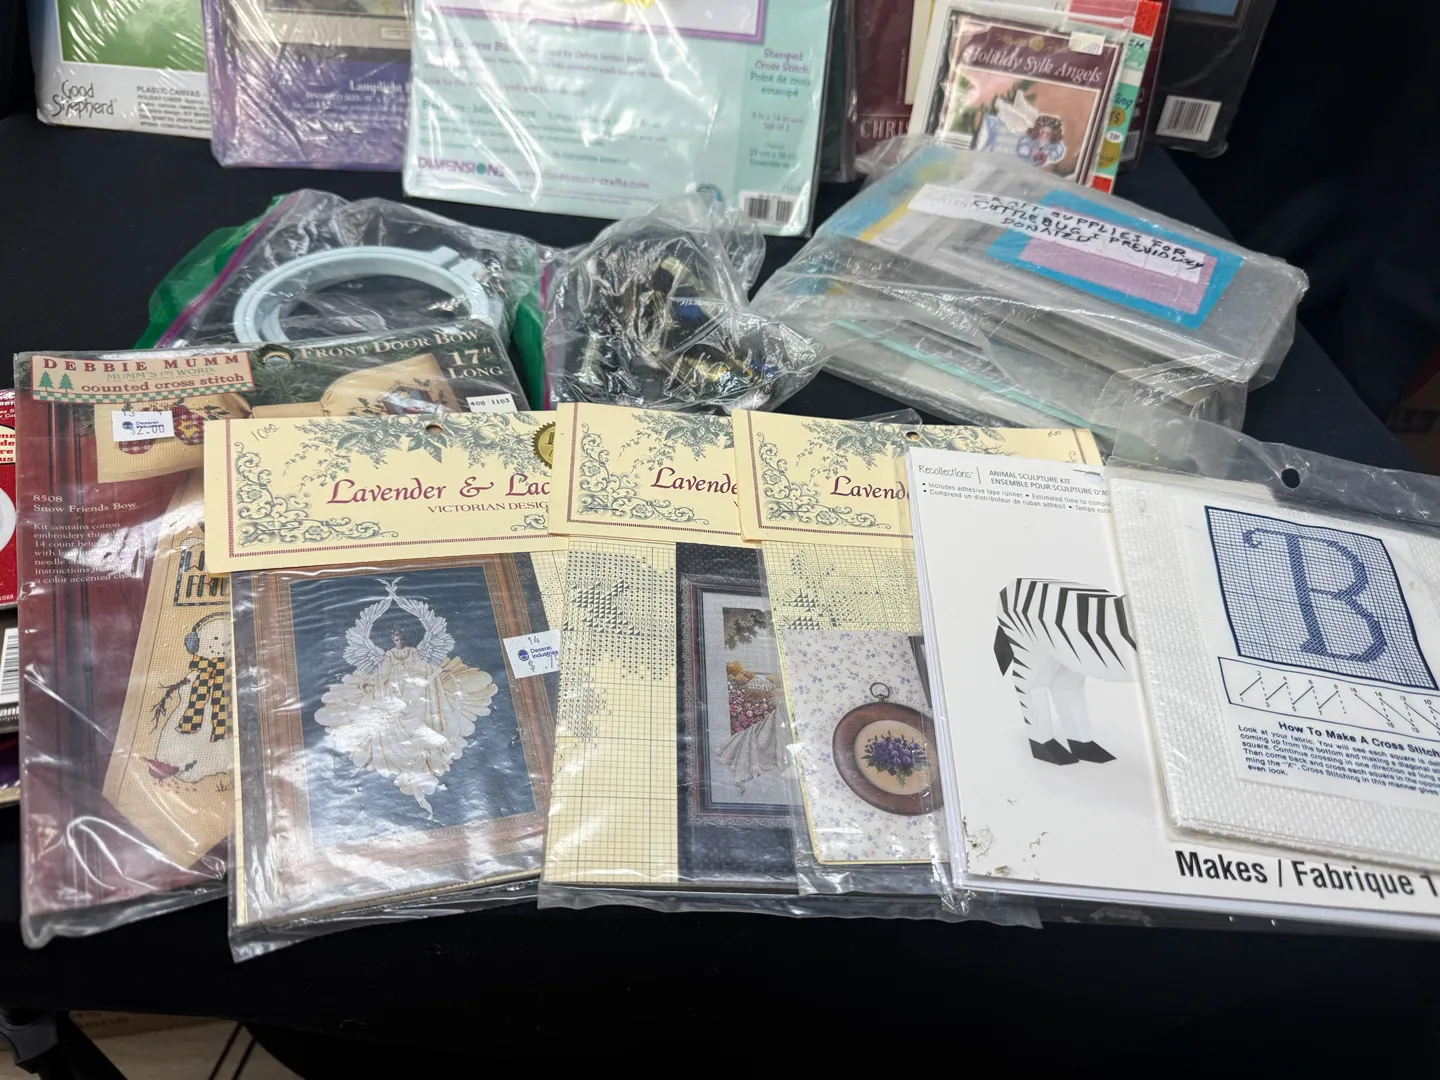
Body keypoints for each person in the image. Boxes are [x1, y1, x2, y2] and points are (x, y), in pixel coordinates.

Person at [315, 618, 498, 813]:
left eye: (401, 638)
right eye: (396, 639)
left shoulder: (401, 756)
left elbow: (414, 673)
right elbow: (386, 675)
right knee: (413, 710)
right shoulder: (431, 744)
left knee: (409, 709)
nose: (399, 641)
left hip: (406, 695)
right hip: (405, 694)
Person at [147, 612, 233, 783]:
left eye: (228, 639)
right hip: (193, 718)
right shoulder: (197, 677)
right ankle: (173, 762)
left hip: (221, 721)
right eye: (216, 638)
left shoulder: (233, 674)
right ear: (195, 645)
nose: (223, 643)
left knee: (216, 745)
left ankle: (215, 765)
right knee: (185, 739)